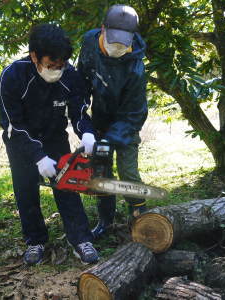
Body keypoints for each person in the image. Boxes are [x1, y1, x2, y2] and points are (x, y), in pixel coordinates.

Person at [0, 24, 99, 265]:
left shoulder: (70, 76)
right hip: (21, 142)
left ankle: (81, 239)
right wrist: (38, 157)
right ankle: (35, 241)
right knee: (26, 191)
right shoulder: (13, 77)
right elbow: (13, 125)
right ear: (34, 56)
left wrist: (87, 134)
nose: (57, 70)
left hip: (54, 137)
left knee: (67, 186)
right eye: (51, 65)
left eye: (61, 65)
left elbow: (79, 110)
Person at [78, 4, 148, 239]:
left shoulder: (136, 67)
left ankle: (139, 216)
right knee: (101, 173)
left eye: (123, 42)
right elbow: (82, 80)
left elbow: (134, 114)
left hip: (126, 122)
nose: (117, 47)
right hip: (99, 117)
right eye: (113, 40)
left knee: (128, 172)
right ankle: (105, 221)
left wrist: (109, 140)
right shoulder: (89, 43)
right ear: (102, 29)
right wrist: (85, 126)